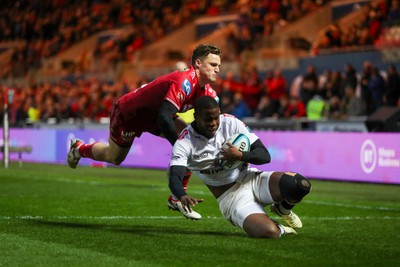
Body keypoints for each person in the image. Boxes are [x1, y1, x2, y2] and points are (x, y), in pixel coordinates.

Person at [67, 44, 222, 220]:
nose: (217, 69)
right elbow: (164, 118)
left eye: (219, 66)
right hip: (130, 114)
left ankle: (176, 198)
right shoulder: (184, 81)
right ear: (198, 63)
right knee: (114, 157)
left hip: (155, 116)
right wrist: (180, 147)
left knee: (192, 140)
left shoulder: (208, 93)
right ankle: (79, 148)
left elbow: (216, 123)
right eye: (213, 65)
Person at [168, 96, 311, 238]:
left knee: (300, 185)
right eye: (207, 119)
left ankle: (282, 209)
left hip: (251, 179)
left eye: (216, 118)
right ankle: (280, 228)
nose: (213, 123)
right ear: (196, 117)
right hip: (231, 197)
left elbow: (264, 155)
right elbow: (175, 176)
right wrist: (182, 195)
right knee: (270, 232)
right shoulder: (184, 142)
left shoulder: (230, 122)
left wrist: (240, 155)